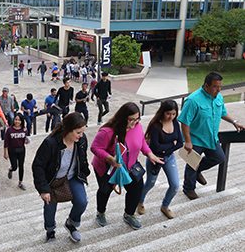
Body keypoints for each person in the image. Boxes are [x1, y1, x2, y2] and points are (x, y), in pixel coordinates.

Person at [91, 102, 163, 229]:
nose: (134, 123)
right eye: (131, 120)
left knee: (136, 189)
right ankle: (100, 212)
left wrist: (149, 153)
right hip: (109, 168)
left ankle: (129, 214)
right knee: (105, 190)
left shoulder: (137, 126)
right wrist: (109, 158)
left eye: (137, 119)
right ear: (123, 118)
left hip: (130, 166)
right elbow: (95, 147)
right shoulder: (107, 132)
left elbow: (141, 142)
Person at [178, 72, 245, 200]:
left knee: (219, 157)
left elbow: (222, 112)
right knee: (192, 163)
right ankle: (188, 188)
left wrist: (234, 122)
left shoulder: (218, 97)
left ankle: (198, 170)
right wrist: (187, 141)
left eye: (220, 87)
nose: (218, 90)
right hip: (195, 139)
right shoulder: (193, 100)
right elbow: (184, 122)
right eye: (215, 87)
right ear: (206, 85)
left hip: (211, 138)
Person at [32, 112, 90, 243]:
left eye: (82, 132)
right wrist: (43, 189)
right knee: (50, 208)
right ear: (69, 129)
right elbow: (38, 166)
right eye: (78, 132)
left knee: (82, 202)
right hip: (53, 180)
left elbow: (82, 158)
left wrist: (84, 174)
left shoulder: (81, 140)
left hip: (72, 177)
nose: (81, 136)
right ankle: (50, 230)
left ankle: (71, 223)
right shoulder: (51, 143)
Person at [138, 100, 183, 219]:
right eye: (168, 114)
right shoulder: (156, 126)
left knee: (175, 185)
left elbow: (180, 143)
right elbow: (155, 146)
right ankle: (140, 201)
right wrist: (171, 145)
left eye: (173, 114)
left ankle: (165, 205)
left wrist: (166, 150)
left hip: (169, 158)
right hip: (155, 158)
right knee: (150, 183)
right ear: (163, 112)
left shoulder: (175, 123)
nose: (171, 117)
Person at [4, 113, 29, 190]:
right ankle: (11, 169)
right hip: (12, 151)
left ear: (22, 121)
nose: (17, 121)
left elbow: (25, 138)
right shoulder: (9, 130)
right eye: (16, 119)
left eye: (19, 120)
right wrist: (5, 153)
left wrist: (26, 141)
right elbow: (6, 142)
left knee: (21, 166)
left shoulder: (24, 129)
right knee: (15, 167)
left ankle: (20, 182)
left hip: (21, 150)